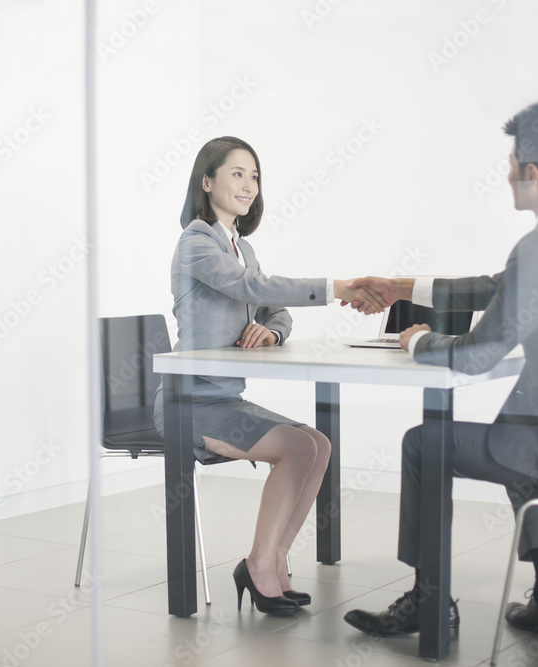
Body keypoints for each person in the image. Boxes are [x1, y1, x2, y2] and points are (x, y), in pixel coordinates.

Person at [342, 103, 538, 642]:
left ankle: (430, 600)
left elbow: (475, 356)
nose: (509, 171)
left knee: (425, 444)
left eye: (513, 161)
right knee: (523, 437)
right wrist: (403, 287)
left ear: (533, 172)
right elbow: (500, 285)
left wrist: (418, 338)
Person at [153, 136, 385, 614]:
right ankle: (259, 564)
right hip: (189, 403)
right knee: (299, 447)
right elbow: (253, 287)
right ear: (207, 181)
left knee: (318, 444)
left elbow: (274, 308)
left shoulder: (244, 249)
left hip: (226, 400)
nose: (248, 184)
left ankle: (272, 560)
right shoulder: (196, 242)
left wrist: (271, 333)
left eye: (254, 175)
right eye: (236, 173)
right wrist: (336, 287)